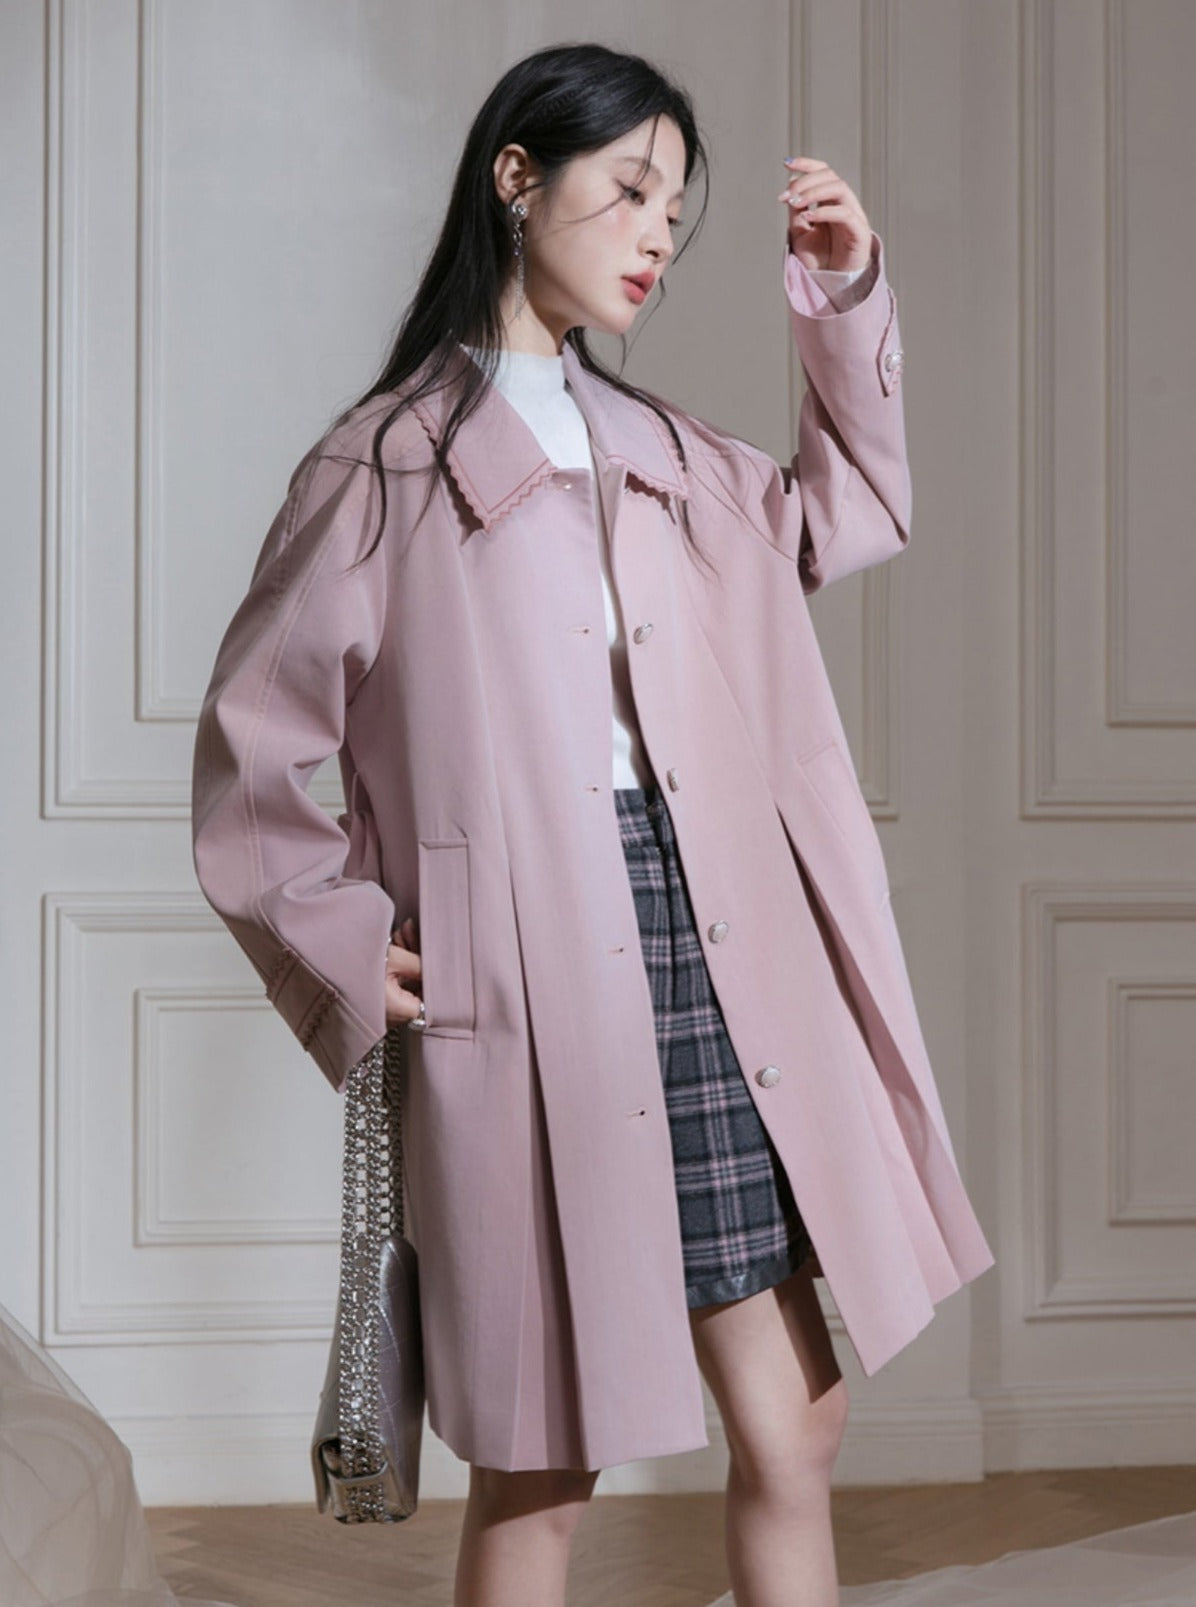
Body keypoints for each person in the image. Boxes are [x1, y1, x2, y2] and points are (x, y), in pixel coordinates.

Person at [190, 40, 993, 1607]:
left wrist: (843, 297)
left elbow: (848, 512)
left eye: (675, 214)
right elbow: (253, 745)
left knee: (797, 1420)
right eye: (628, 191)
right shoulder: (381, 468)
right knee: (543, 1458)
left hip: (717, 942)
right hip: (531, 965)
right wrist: (338, 939)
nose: (654, 238)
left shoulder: (670, 454)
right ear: (517, 177)